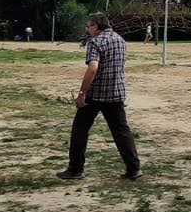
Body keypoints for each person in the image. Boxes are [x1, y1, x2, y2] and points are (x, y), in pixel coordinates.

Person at [58, 12, 141, 182]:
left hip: (96, 94)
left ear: (96, 26)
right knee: (121, 131)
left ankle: (75, 169)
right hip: (116, 92)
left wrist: (82, 94)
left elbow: (93, 68)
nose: (87, 29)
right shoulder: (120, 39)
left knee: (80, 130)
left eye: (88, 26)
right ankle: (133, 168)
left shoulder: (95, 42)